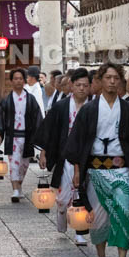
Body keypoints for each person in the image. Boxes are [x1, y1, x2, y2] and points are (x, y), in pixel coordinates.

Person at [65, 62, 129, 257]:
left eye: (115, 78)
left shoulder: (128, 110)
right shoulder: (90, 110)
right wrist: (77, 170)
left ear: (120, 81)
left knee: (122, 214)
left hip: (121, 171)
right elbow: (78, 142)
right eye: (107, 77)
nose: (112, 81)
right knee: (99, 218)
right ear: (100, 80)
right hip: (95, 170)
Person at [38, 68, 91, 242]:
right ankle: (61, 211)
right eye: (78, 85)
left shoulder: (94, 107)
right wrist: (44, 152)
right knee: (63, 196)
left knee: (81, 192)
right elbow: (50, 131)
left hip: (87, 156)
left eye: (85, 85)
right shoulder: (61, 106)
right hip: (66, 155)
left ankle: (80, 230)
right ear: (71, 86)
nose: (82, 89)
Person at [0, 68, 43, 203]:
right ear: (12, 81)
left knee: (24, 165)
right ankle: (15, 189)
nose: (18, 81)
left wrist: (41, 137)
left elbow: (37, 118)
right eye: (15, 78)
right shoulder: (7, 100)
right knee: (14, 163)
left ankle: (19, 186)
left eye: (20, 78)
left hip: (27, 136)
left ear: (24, 81)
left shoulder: (30, 99)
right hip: (13, 136)